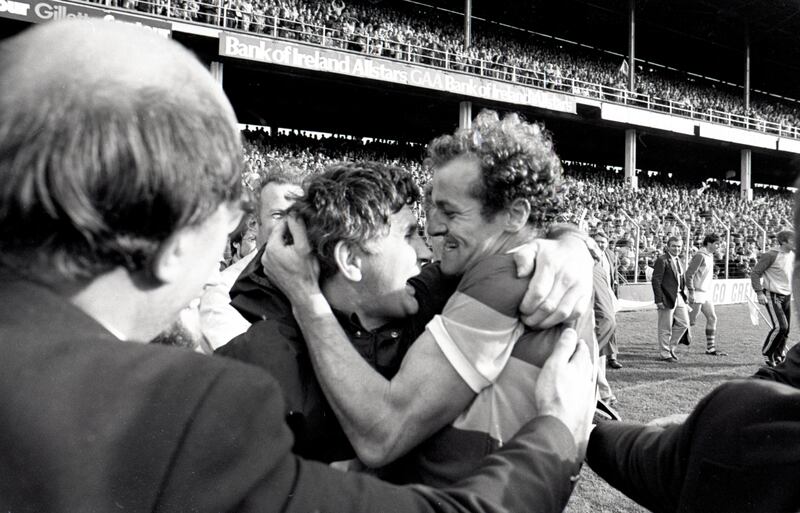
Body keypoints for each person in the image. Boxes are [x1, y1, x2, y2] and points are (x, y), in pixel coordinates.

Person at [0, 20, 596, 513]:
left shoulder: (417, 297)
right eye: (414, 230)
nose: (427, 246)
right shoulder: (192, 404)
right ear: (177, 245)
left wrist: (568, 240)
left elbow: (509, 241)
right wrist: (556, 431)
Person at [257, 112, 598, 486]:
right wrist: (573, 240)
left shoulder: (505, 276)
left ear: (514, 214)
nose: (433, 228)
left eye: (450, 212)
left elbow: (383, 431)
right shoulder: (527, 269)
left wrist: (307, 300)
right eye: (432, 208)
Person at [587, 203, 800, 513]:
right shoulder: (696, 256)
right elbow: (783, 377)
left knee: (696, 323)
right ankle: (668, 350)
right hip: (683, 297)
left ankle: (678, 347)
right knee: (691, 323)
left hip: (698, 298)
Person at [198, 165, 304, 349]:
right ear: (255, 223)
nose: (289, 225)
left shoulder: (322, 285)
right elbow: (241, 369)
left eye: (297, 216)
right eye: (278, 215)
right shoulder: (223, 291)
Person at [750, 229, 795, 367]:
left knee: (786, 330)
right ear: (783, 242)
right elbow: (755, 273)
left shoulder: (792, 254)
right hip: (772, 294)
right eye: (793, 240)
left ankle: (779, 354)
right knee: (780, 326)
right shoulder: (771, 255)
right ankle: (768, 353)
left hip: (787, 295)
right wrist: (759, 292)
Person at [685, 233, 724, 356]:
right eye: (716, 244)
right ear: (709, 243)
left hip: (705, 293)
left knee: (712, 318)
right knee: (689, 321)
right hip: (697, 292)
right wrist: (691, 291)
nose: (718, 246)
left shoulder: (709, 256)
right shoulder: (700, 256)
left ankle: (710, 348)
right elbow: (689, 274)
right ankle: (669, 341)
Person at [652, 236, 690, 362]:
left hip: (679, 296)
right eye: (674, 246)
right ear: (668, 246)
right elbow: (656, 280)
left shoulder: (679, 260)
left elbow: (681, 280)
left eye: (679, 246)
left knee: (684, 323)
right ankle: (665, 353)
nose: (676, 248)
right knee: (665, 327)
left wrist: (685, 296)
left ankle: (670, 347)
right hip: (666, 296)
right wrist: (658, 299)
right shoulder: (662, 260)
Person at [593, 230, 622, 369]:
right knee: (603, 322)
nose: (600, 244)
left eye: (603, 242)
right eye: (597, 241)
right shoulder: (588, 255)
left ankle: (612, 357)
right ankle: (597, 353)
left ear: (607, 244)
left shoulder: (610, 255)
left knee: (612, 323)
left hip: (609, 292)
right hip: (595, 293)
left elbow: (613, 274)